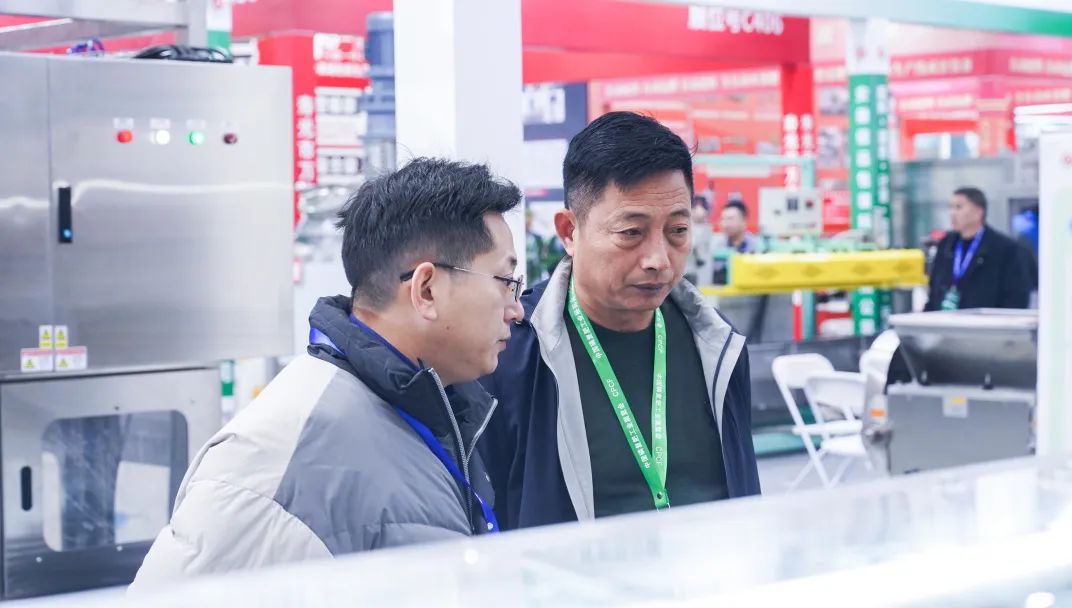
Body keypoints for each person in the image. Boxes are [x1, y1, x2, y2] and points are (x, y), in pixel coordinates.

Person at [131, 158, 525, 588]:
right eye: (505, 280)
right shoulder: (282, 460)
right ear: (426, 289)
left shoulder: (431, 408)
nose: (516, 309)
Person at [478, 112, 761, 530]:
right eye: (631, 232)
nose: (658, 260)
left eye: (677, 230)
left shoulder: (718, 345)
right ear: (569, 231)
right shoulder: (512, 352)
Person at [924, 186, 1032, 311]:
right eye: (950, 207)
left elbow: (1017, 297)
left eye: (958, 207)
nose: (952, 213)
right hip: (945, 319)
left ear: (978, 212)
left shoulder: (1004, 248)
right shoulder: (946, 244)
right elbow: (934, 290)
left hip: (985, 321)